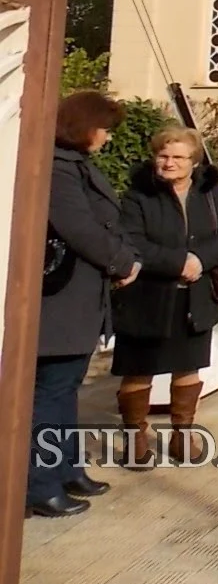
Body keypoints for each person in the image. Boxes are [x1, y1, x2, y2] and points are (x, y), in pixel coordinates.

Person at [31, 92, 141, 518]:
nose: (108, 138)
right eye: (105, 129)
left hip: (81, 297)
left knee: (66, 390)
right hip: (61, 300)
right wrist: (120, 260)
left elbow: (107, 221)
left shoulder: (76, 164)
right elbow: (79, 227)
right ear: (84, 125)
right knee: (51, 394)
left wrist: (127, 256)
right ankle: (41, 484)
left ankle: (67, 469)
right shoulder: (58, 168)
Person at [112, 125, 218, 464]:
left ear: (194, 162)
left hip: (194, 297)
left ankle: (182, 436)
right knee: (138, 368)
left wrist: (201, 260)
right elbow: (132, 241)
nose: (168, 163)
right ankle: (135, 439)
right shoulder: (138, 195)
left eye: (177, 157)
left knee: (188, 367)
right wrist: (176, 262)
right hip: (147, 297)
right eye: (163, 155)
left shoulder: (210, 192)